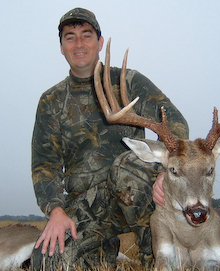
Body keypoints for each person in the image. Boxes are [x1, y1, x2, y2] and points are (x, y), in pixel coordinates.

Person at [31, 7, 189, 270]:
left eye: (86, 35)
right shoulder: (51, 100)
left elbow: (175, 124)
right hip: (88, 204)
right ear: (61, 46)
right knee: (47, 261)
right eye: (70, 37)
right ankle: (103, 251)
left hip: (140, 189)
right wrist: (56, 212)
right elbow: (44, 165)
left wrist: (167, 172)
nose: (79, 43)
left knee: (126, 170)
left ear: (99, 42)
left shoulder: (129, 81)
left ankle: (158, 256)